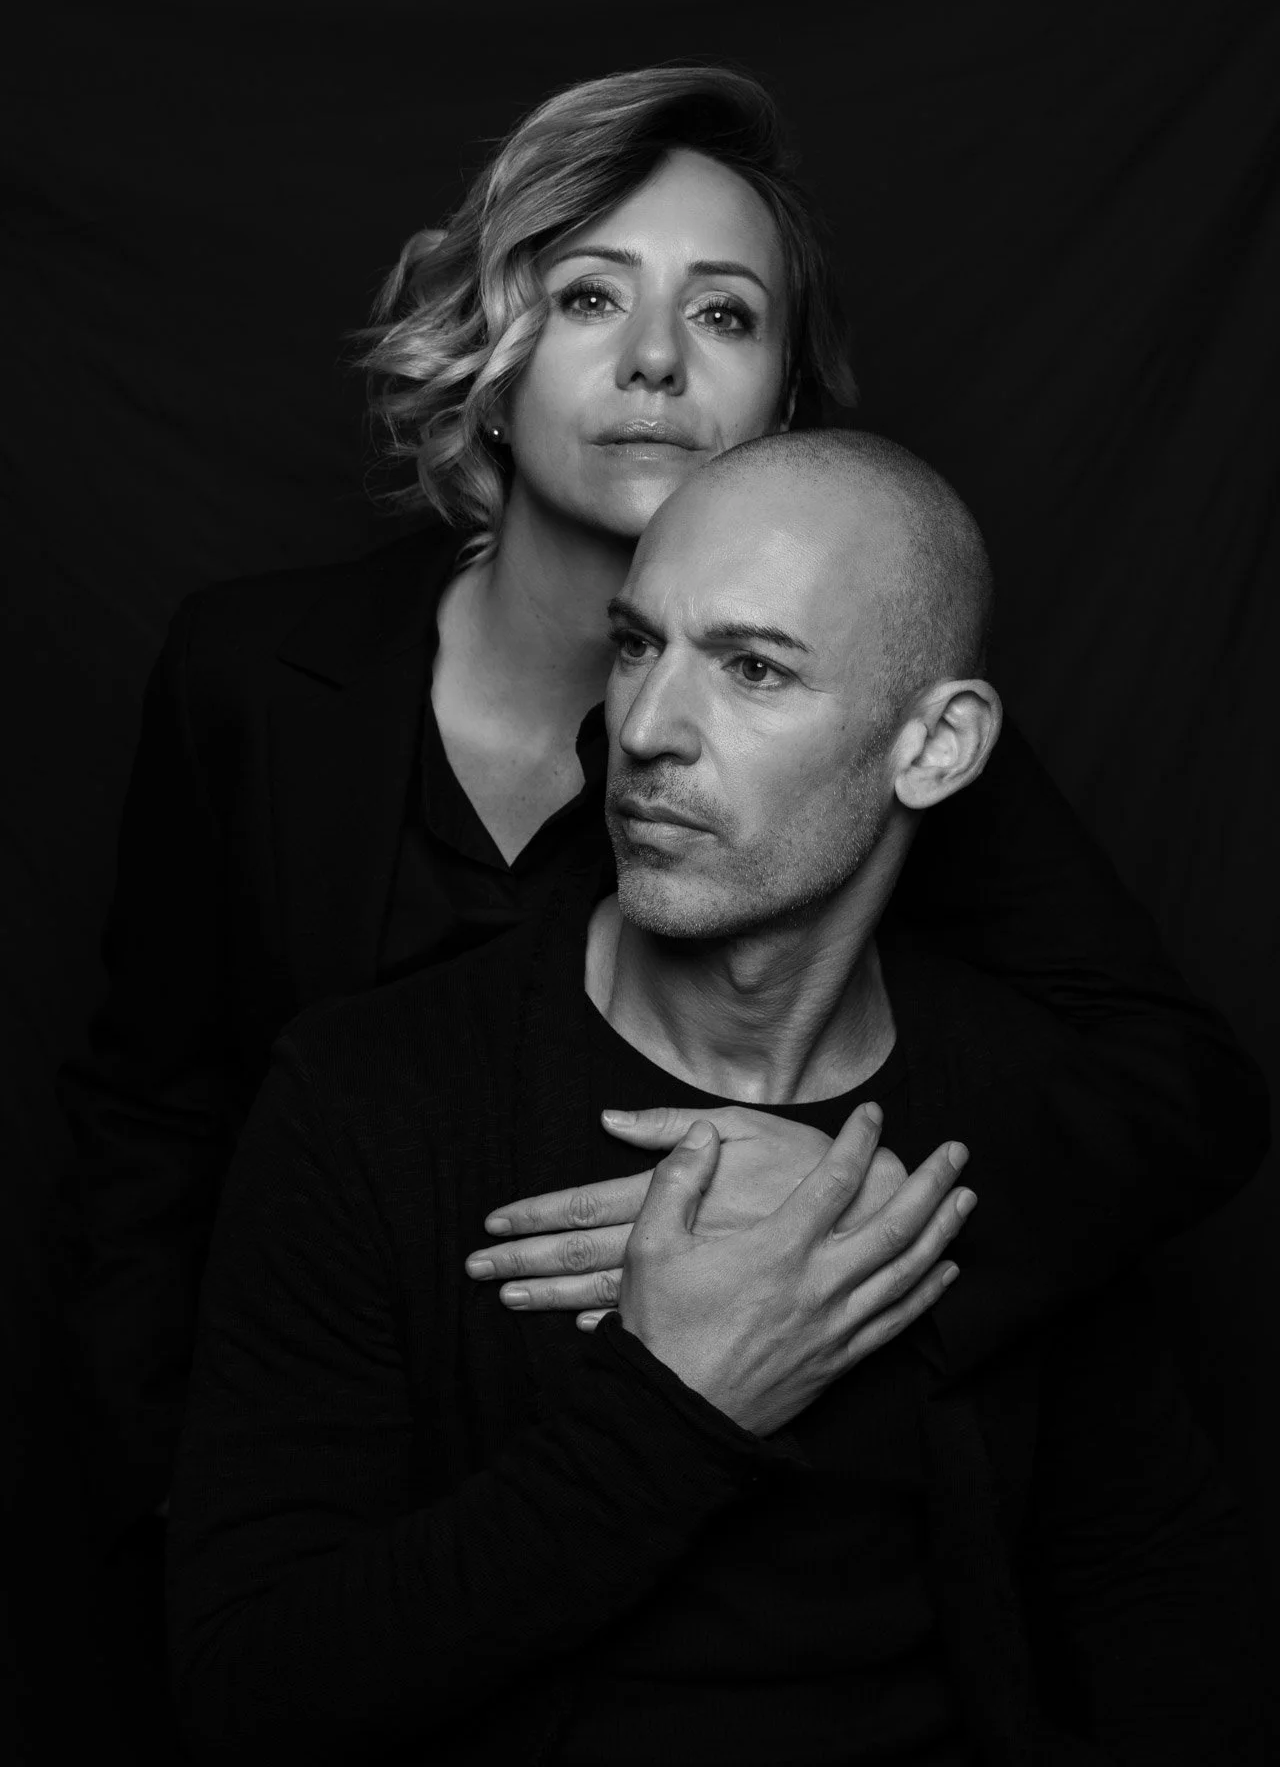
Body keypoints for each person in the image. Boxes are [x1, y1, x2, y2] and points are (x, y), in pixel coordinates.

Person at [62, 66, 1265, 1566]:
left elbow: (1178, 1088)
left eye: (724, 315)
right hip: (316, 1490)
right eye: (589, 297)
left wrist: (877, 1215)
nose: (652, 362)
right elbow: (154, 1107)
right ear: (490, 347)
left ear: (785, 401)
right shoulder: (251, 674)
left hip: (701, 1497)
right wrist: (165, 1487)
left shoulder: (869, 736)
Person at [168, 431, 1261, 1766]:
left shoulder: (1022, 1119)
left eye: (753, 670)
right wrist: (675, 1407)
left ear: (937, 746)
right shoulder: (372, 1097)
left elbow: (1164, 1608)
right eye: (637, 646)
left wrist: (883, 1222)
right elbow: (248, 1691)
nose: (643, 730)